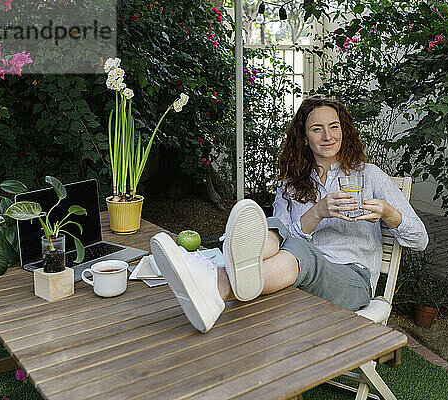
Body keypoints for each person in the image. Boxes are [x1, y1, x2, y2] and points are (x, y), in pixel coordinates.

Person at [151, 95, 428, 333]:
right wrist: (317, 213)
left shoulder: (370, 176)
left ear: (344, 131)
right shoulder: (292, 182)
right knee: (273, 225)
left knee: (298, 251)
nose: (328, 136)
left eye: (334, 127)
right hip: (291, 268)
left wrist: (389, 213)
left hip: (350, 281)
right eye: (317, 129)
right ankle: (220, 279)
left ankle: (214, 277)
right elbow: (283, 236)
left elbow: (420, 239)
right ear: (305, 138)